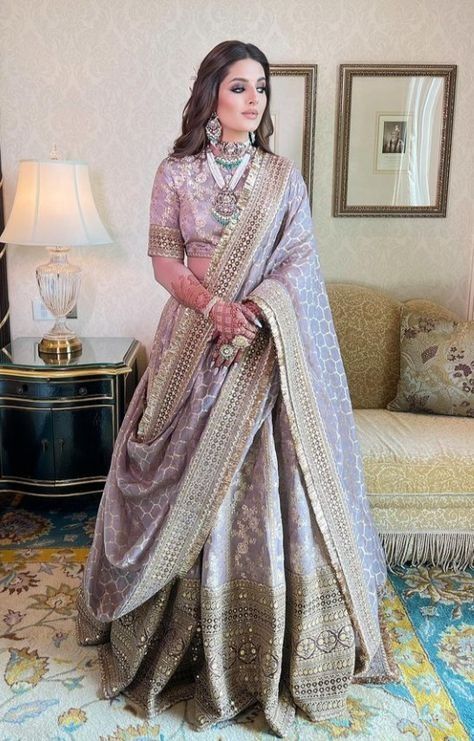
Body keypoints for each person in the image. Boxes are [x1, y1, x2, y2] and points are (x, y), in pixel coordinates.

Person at [76, 40, 399, 737]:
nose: (253, 101)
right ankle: (174, 639)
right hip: (195, 341)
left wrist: (254, 310)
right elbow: (163, 260)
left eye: (261, 89)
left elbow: (300, 258)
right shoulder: (176, 173)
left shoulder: (281, 177)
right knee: (168, 474)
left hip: (264, 350)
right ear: (210, 97)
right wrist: (212, 305)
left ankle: (277, 650)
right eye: (238, 88)